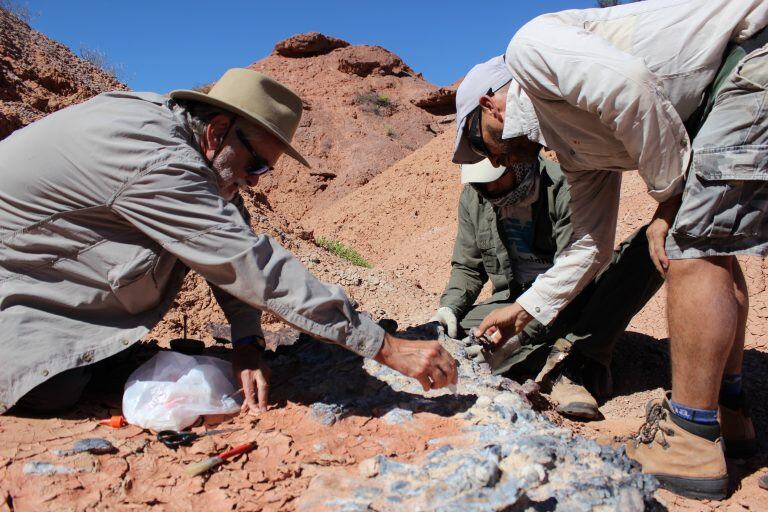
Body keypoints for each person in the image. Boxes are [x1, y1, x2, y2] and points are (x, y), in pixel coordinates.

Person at [0, 68, 458, 416]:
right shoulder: (153, 156)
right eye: (256, 165)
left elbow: (230, 230)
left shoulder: (171, 133)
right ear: (218, 130)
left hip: (27, 264)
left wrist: (246, 341)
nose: (256, 183)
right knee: (50, 386)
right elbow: (245, 260)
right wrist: (385, 347)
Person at [453, 0, 767, 500]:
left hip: (747, 64)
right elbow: (589, 245)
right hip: (730, 92)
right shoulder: (575, 148)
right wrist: (526, 311)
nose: (491, 157)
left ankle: (690, 438)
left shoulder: (531, 50)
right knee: (712, 248)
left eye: (480, 142)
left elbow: (632, 85)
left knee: (687, 246)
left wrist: (669, 201)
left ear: (491, 103)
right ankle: (731, 415)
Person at [432, 151, 661, 419]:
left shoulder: (567, 186)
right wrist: (449, 309)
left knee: (648, 250)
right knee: (461, 340)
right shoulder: (476, 194)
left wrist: (518, 334)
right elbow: (468, 267)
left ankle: (571, 367)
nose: (488, 190)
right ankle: (567, 355)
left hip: (576, 296)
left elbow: (577, 273)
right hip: (514, 299)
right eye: (481, 184)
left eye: (495, 180)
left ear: (518, 164)